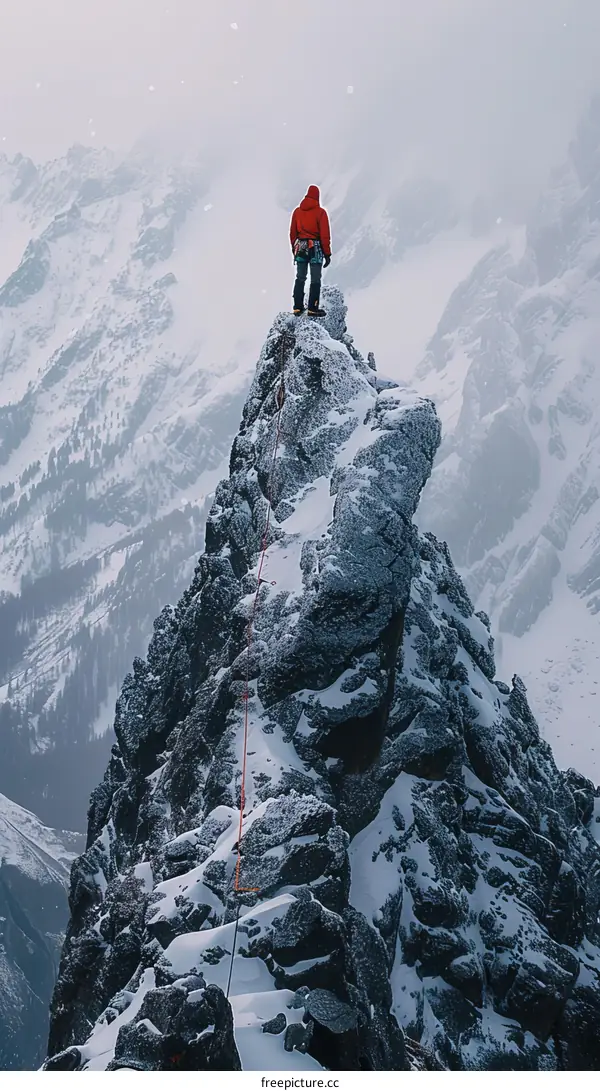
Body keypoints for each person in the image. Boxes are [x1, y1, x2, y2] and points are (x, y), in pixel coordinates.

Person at [289, 185, 331, 317]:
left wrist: (294, 249)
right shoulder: (321, 213)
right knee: (315, 279)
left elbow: (292, 233)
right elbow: (325, 235)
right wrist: (327, 254)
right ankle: (313, 307)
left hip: (301, 246)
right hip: (315, 247)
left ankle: (297, 307)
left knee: (300, 277)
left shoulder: (297, 212)